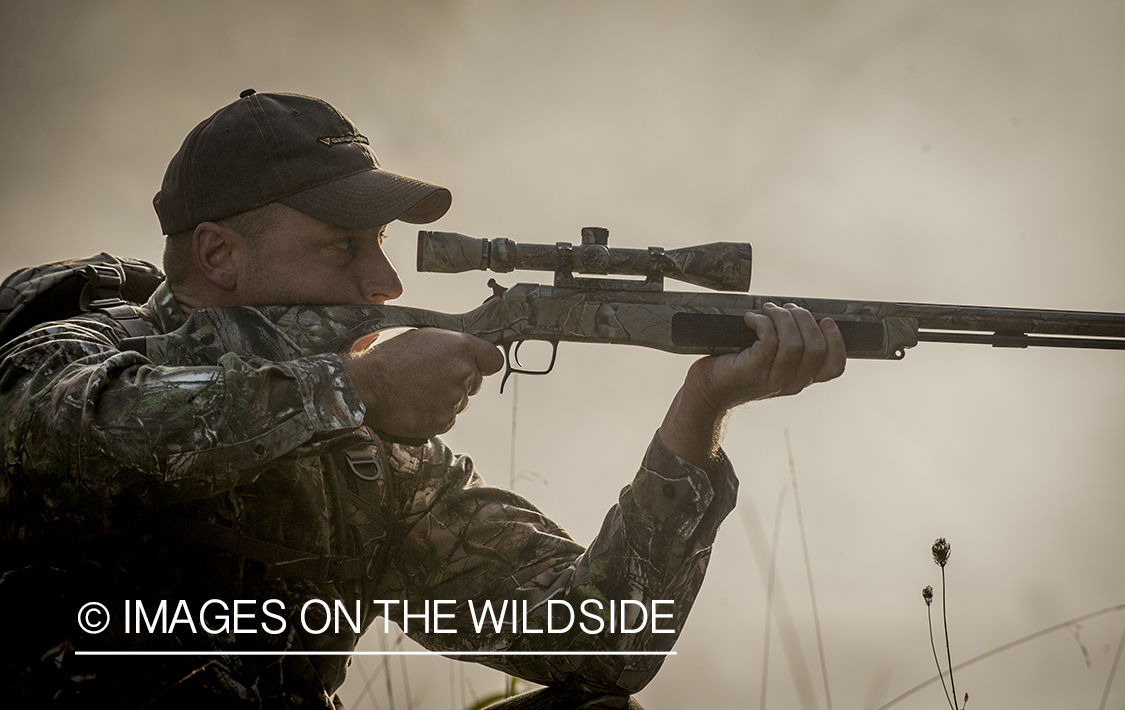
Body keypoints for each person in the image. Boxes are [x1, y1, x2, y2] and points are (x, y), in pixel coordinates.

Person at [0, 90, 845, 708]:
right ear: (218, 255)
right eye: (342, 249)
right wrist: (357, 386)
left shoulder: (375, 462)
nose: (384, 280)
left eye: (380, 244)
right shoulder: (74, 353)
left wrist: (695, 420)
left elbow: (598, 639)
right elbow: (74, 436)